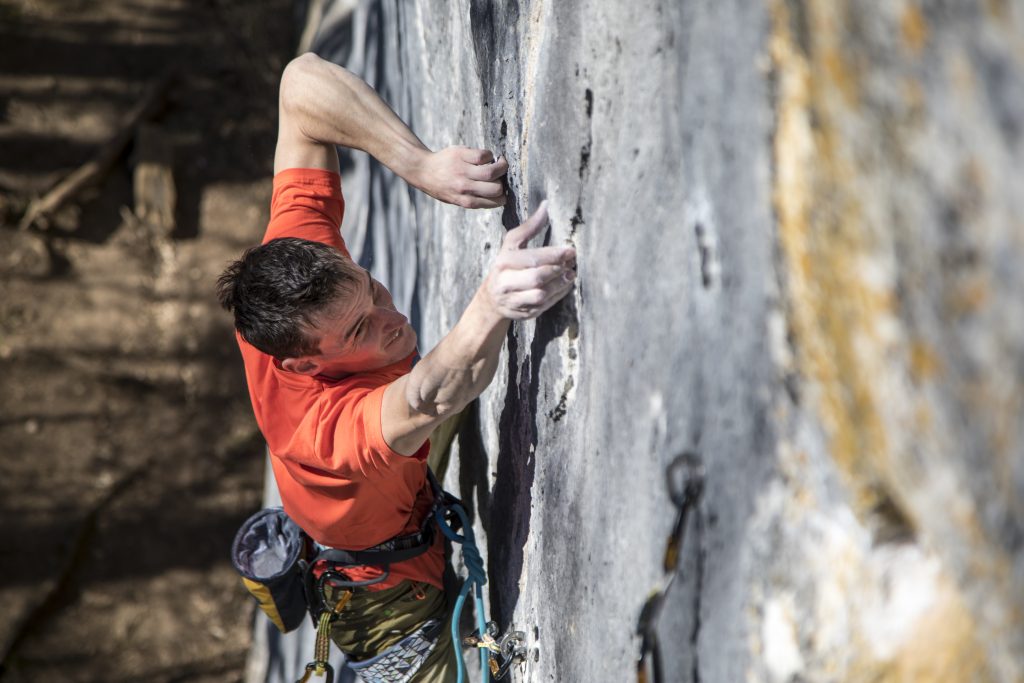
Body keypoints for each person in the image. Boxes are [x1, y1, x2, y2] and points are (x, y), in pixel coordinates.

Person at [216, 52, 576, 682]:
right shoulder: (324, 431)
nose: (390, 315)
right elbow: (431, 397)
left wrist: (420, 164)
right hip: (388, 610)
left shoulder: (299, 275)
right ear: (305, 361)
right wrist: (492, 301)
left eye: (371, 289)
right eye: (361, 329)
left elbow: (301, 86)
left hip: (388, 498)